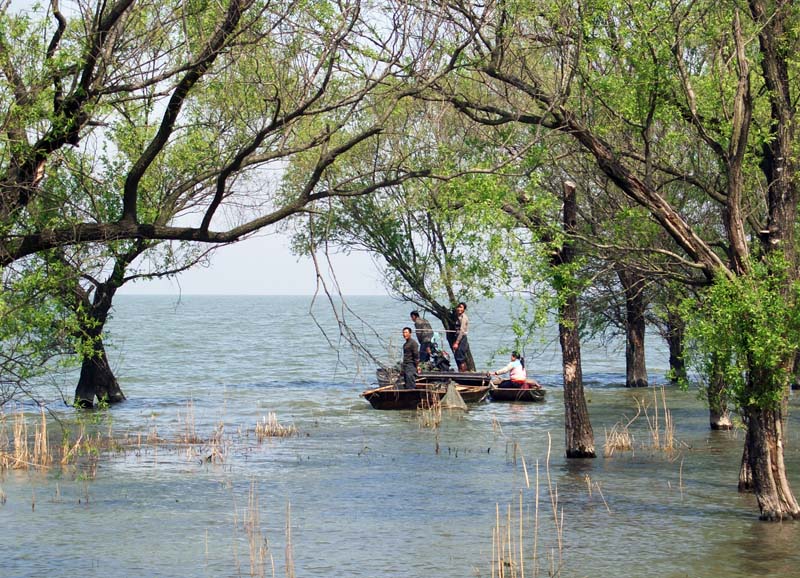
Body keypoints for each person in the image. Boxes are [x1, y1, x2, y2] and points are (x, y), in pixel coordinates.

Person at [452, 302, 471, 372]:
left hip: (462, 338)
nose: (459, 309)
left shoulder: (464, 318)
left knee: (460, 356)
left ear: (464, 309)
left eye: (461, 307)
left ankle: (463, 373)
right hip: (457, 337)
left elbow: (462, 331)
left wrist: (457, 342)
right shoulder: (458, 317)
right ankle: (460, 371)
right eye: (458, 307)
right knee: (457, 355)